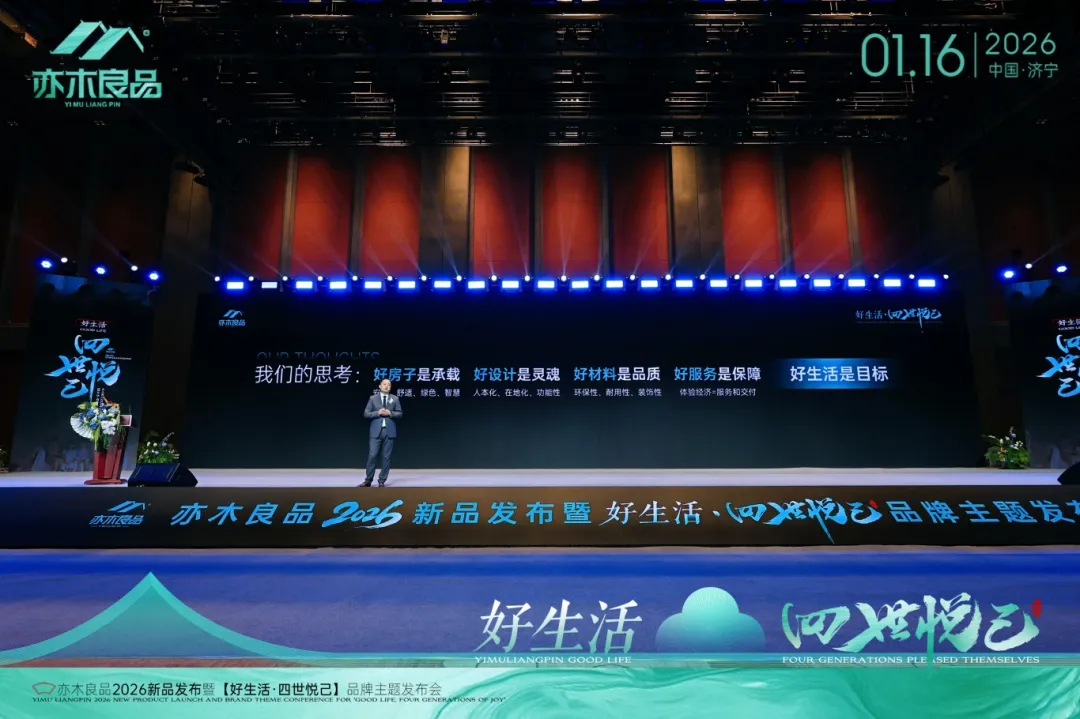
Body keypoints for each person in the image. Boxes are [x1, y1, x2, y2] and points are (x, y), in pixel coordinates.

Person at [361, 378, 403, 486]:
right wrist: (377, 413)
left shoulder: (395, 398)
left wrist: (390, 413)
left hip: (389, 432)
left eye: (389, 384)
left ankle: (381, 481)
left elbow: (400, 413)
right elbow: (366, 413)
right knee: (372, 455)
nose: (387, 386)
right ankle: (368, 480)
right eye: (384, 384)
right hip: (376, 431)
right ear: (380, 386)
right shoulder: (373, 398)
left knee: (386, 457)